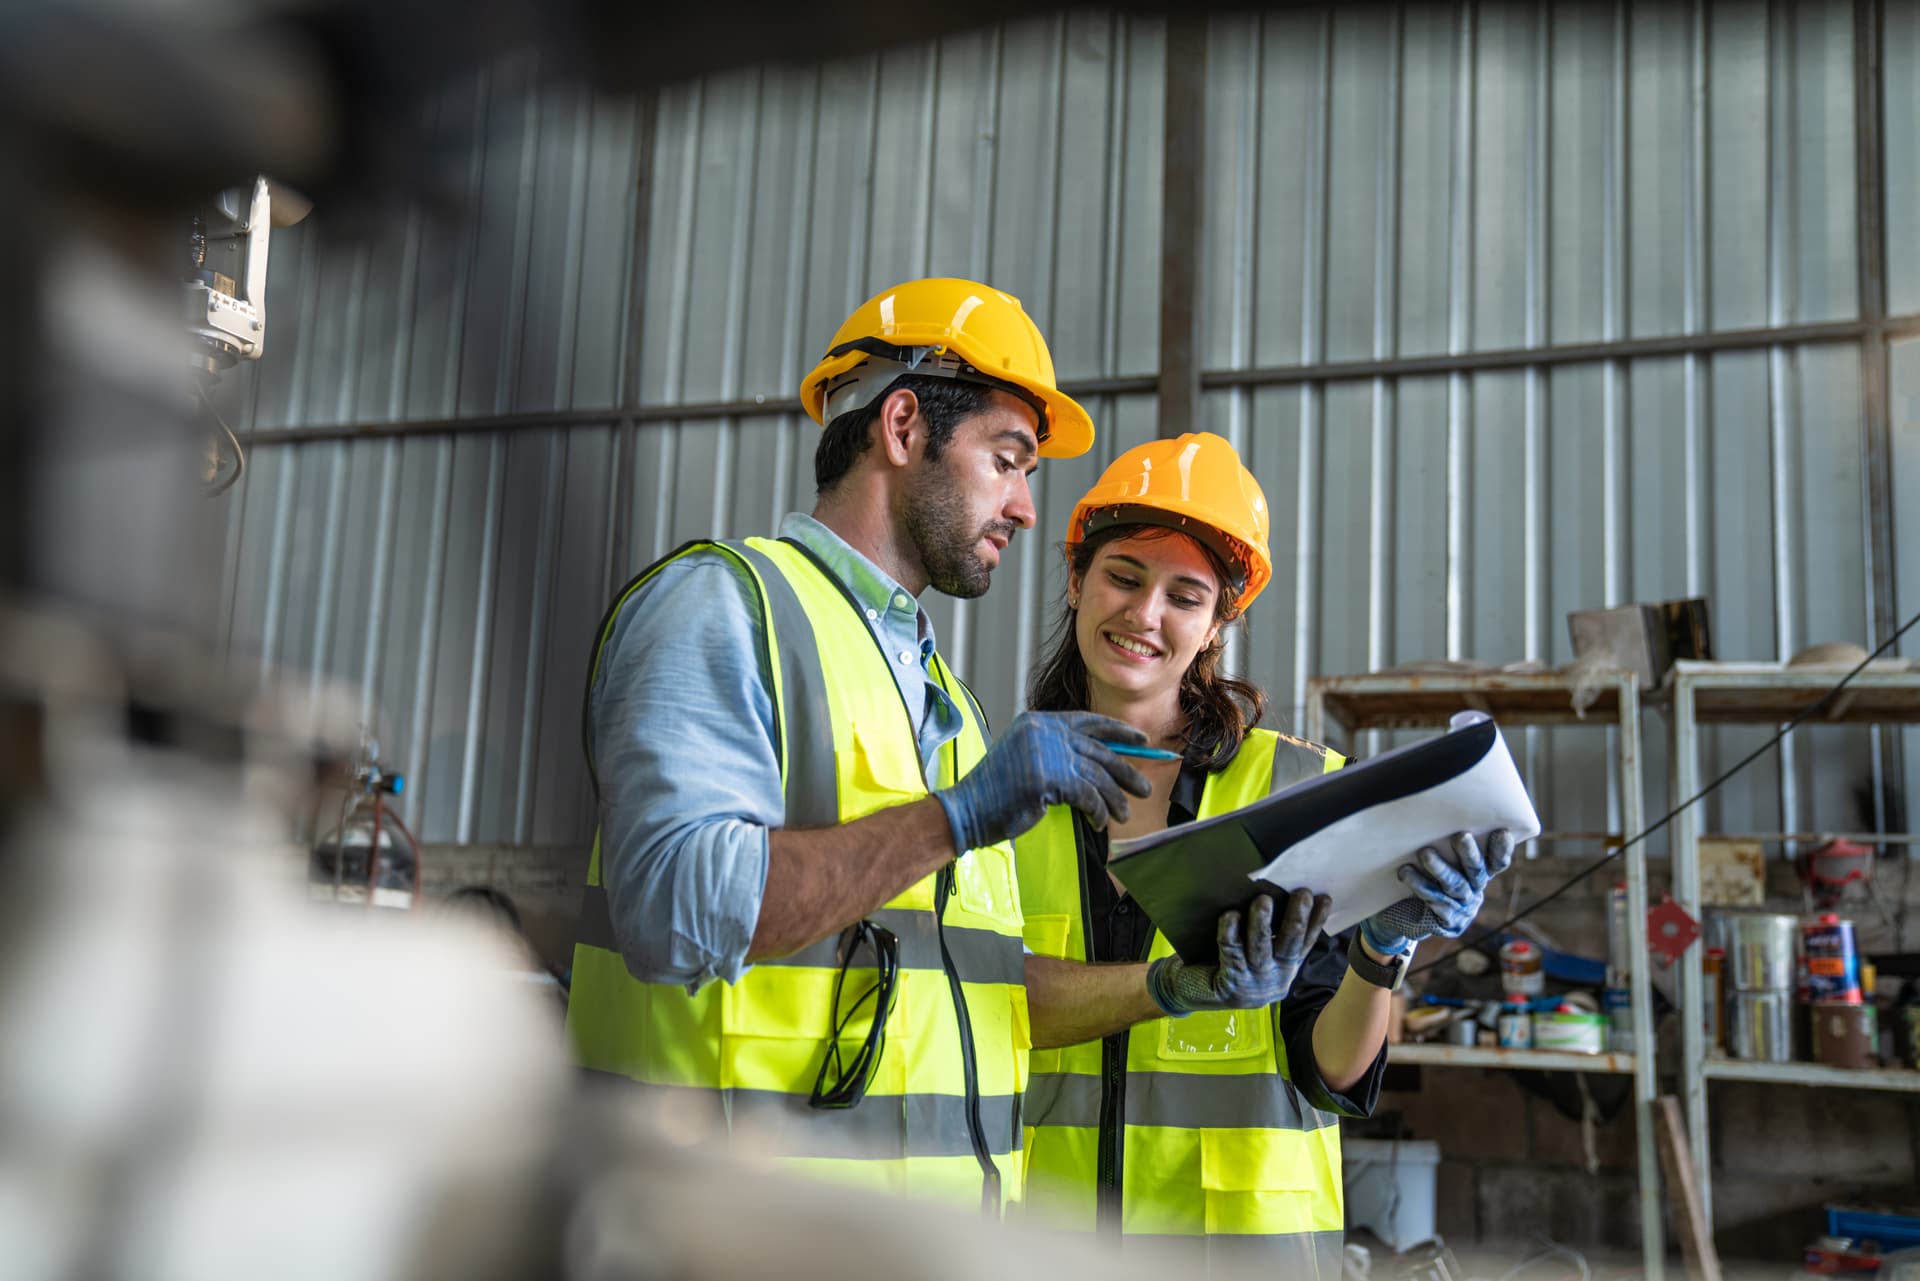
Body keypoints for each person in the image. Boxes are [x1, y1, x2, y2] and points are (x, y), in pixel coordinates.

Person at [565, 278, 1171, 1212]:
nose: (1023, 508)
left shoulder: (952, 705)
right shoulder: (723, 607)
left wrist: (1173, 984)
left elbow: (978, 986)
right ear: (901, 426)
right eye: (1006, 461)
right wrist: (955, 818)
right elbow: (676, 905)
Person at [1014, 432, 1515, 1272]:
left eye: (1184, 596)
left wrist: (1384, 945)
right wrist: (1172, 985)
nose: (1144, 616)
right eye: (1124, 576)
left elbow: (1332, 1068)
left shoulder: (1294, 787)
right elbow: (980, 1002)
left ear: (1217, 627)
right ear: (1076, 579)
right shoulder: (1002, 789)